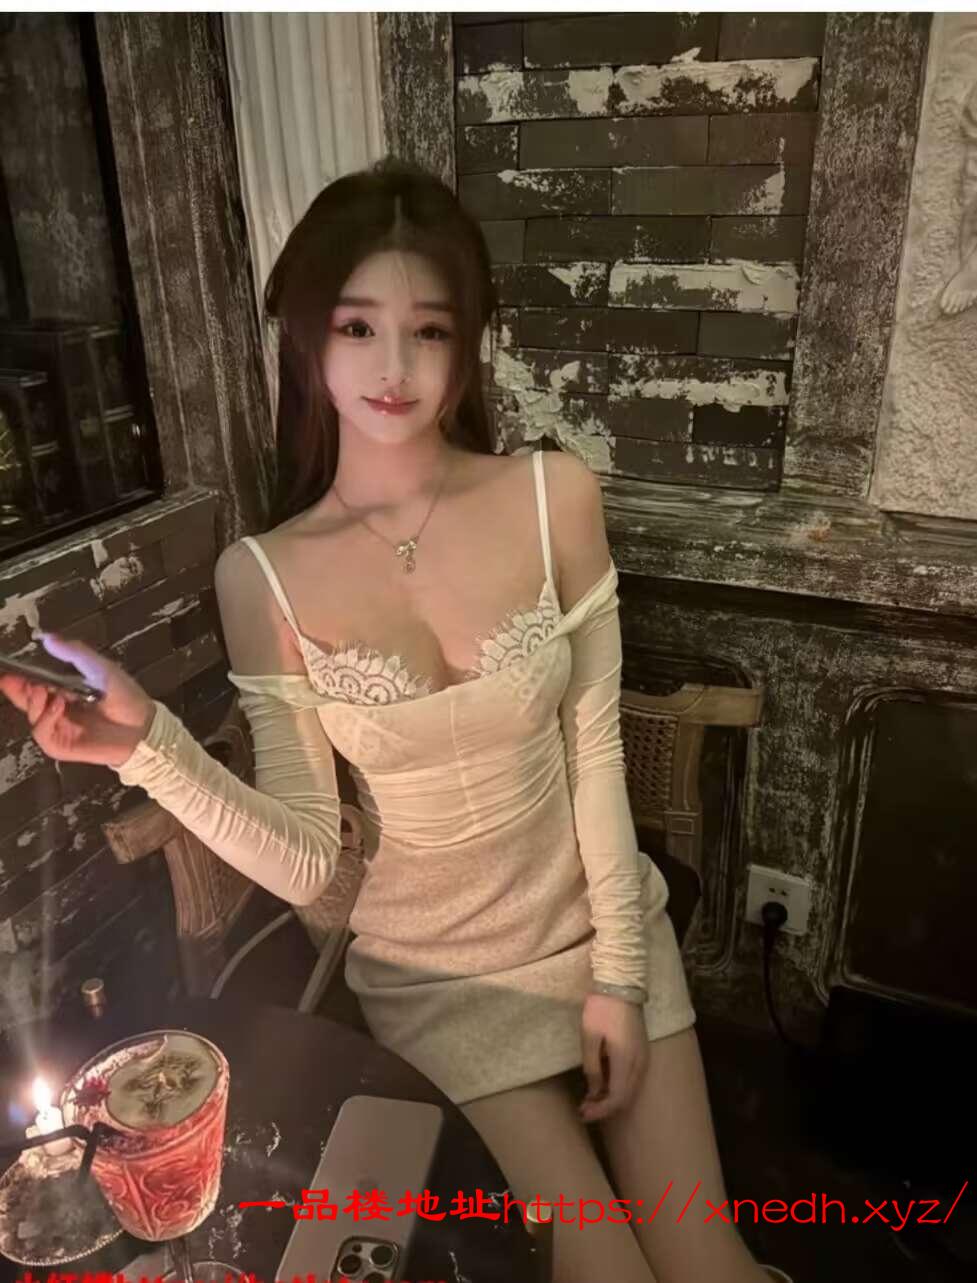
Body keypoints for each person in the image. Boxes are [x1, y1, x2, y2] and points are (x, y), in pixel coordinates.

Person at [0, 158, 790, 1283]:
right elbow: (308, 858)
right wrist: (145, 747)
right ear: (307, 340)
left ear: (467, 343)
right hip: (440, 981)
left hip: (599, 929)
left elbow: (595, 753)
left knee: (708, 1264)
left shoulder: (551, 494)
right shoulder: (262, 575)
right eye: (358, 326)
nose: (393, 366)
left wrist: (619, 978)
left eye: (429, 330)